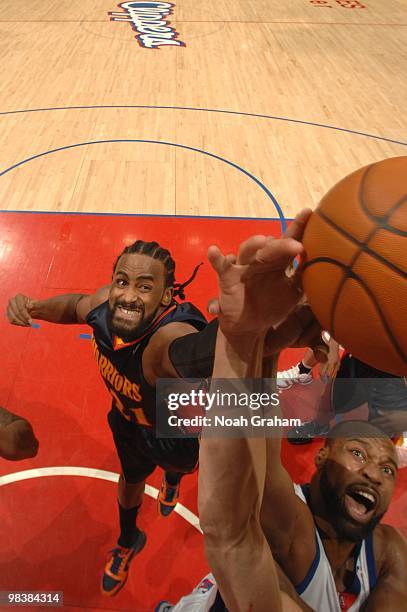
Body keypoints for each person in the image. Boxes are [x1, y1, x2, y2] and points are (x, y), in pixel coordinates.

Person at [195, 211, 407, 611]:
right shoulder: (292, 529)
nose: (373, 473)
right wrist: (242, 341)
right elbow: (230, 530)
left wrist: (263, 350)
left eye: (387, 468)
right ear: (322, 455)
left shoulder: (392, 552)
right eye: (359, 453)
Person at [6, 239, 217, 597]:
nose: (129, 295)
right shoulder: (105, 307)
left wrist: (246, 325)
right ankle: (127, 540)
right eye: (123, 282)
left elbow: (198, 354)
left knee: (178, 465)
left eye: (145, 287)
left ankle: (171, 480)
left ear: (167, 298)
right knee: (131, 478)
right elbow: (75, 306)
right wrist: (35, 307)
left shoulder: (168, 338)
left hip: (171, 431)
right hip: (125, 422)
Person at [287, 353, 407, 445]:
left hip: (395, 371)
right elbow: (340, 323)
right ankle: (319, 426)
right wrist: (332, 351)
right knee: (329, 399)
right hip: (358, 355)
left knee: (383, 432)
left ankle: (378, 458)